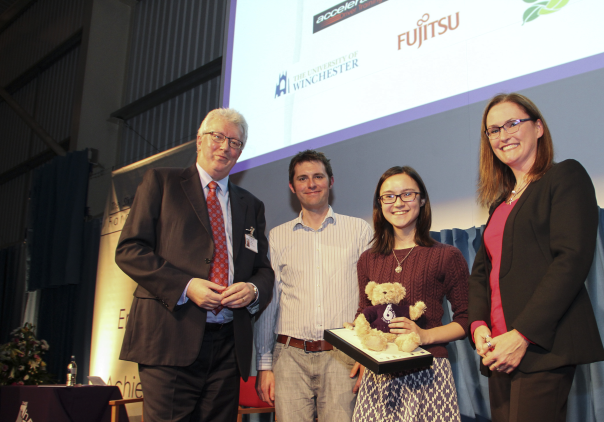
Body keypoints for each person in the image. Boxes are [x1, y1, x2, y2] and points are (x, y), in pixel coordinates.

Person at [116, 108, 274, 422]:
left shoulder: (251, 205)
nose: (225, 146)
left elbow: (263, 270)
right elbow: (130, 250)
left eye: (235, 142)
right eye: (218, 136)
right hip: (169, 339)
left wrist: (253, 289)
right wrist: (187, 286)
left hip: (228, 346)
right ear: (199, 140)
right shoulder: (162, 182)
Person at [468, 93, 604, 422]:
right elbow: (480, 274)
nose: (503, 135)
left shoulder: (564, 177)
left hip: (541, 346)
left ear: (539, 127)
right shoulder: (499, 204)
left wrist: (522, 335)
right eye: (494, 130)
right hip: (498, 350)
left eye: (513, 123)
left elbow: (570, 261)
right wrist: (478, 327)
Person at [254, 150, 373, 422]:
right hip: (289, 358)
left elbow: (371, 298)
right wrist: (264, 364)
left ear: (331, 181)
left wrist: (368, 354)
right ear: (292, 187)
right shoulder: (278, 236)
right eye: (303, 178)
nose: (311, 184)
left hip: (343, 355)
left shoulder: (359, 231)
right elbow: (270, 303)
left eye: (318, 176)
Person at [352, 165, 469, 422]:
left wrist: (424, 335)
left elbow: (466, 320)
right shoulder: (367, 259)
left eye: (407, 194)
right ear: (380, 204)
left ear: (422, 199)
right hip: (379, 374)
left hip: (429, 370)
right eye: (389, 196)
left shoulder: (447, 255)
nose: (398, 203)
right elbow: (364, 313)